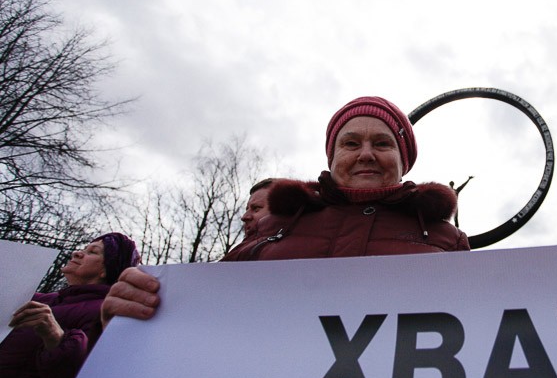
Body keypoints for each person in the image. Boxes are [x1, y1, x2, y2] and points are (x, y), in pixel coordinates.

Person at [102, 96, 469, 324]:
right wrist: (131, 320)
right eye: (351, 143)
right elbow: (200, 316)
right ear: (333, 156)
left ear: (403, 160)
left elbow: (478, 328)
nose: (366, 154)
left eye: (382, 143)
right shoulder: (273, 226)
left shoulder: (445, 239)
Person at [1, 233, 140, 378]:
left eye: (93, 252)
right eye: (84, 248)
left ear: (107, 269)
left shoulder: (106, 313)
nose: (77, 252)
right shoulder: (38, 299)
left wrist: (55, 337)